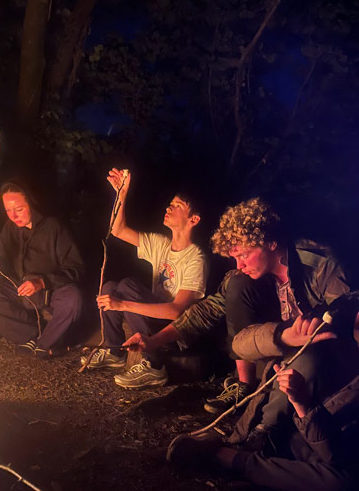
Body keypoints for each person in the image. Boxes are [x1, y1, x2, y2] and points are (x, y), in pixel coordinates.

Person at [124, 198, 349, 407]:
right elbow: (207, 311)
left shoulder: (319, 264)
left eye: (244, 255)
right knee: (237, 283)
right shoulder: (247, 277)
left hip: (320, 351)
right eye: (235, 257)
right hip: (275, 343)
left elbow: (346, 311)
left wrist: (318, 323)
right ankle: (244, 386)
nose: (239, 264)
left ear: (270, 242)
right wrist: (153, 341)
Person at [167, 293, 359, 491]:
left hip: (331, 452)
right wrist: (283, 336)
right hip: (296, 434)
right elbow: (241, 344)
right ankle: (262, 441)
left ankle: (229, 458)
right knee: (308, 351)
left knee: (345, 481)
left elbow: (339, 455)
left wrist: (304, 406)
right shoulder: (334, 317)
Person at [81, 168, 208, 389]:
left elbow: (176, 311)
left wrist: (122, 304)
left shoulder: (196, 258)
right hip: (153, 320)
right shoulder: (161, 244)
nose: (169, 207)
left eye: (178, 206)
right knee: (111, 286)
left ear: (193, 219)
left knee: (127, 286)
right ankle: (114, 352)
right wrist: (121, 194)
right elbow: (117, 230)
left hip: (175, 334)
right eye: (170, 203)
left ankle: (154, 365)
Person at [0, 180, 85, 356]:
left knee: (73, 298)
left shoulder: (54, 227)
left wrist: (43, 282)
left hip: (50, 291)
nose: (13, 216)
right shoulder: (11, 228)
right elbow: (1, 266)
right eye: (8, 211)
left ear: (32, 203)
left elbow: (76, 269)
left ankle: (46, 344)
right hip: (20, 290)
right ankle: (29, 335)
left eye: (19, 209)